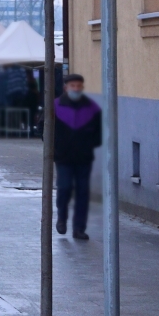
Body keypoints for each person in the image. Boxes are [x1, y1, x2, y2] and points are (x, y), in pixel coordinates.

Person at [54, 73, 102, 241]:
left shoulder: (91, 108)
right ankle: (61, 218)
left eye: (78, 86)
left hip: (83, 157)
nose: (76, 89)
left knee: (83, 193)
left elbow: (99, 132)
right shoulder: (55, 106)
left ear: (82, 87)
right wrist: (54, 147)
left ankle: (79, 228)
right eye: (72, 86)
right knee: (64, 188)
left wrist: (88, 144)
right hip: (63, 157)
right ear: (66, 88)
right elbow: (42, 127)